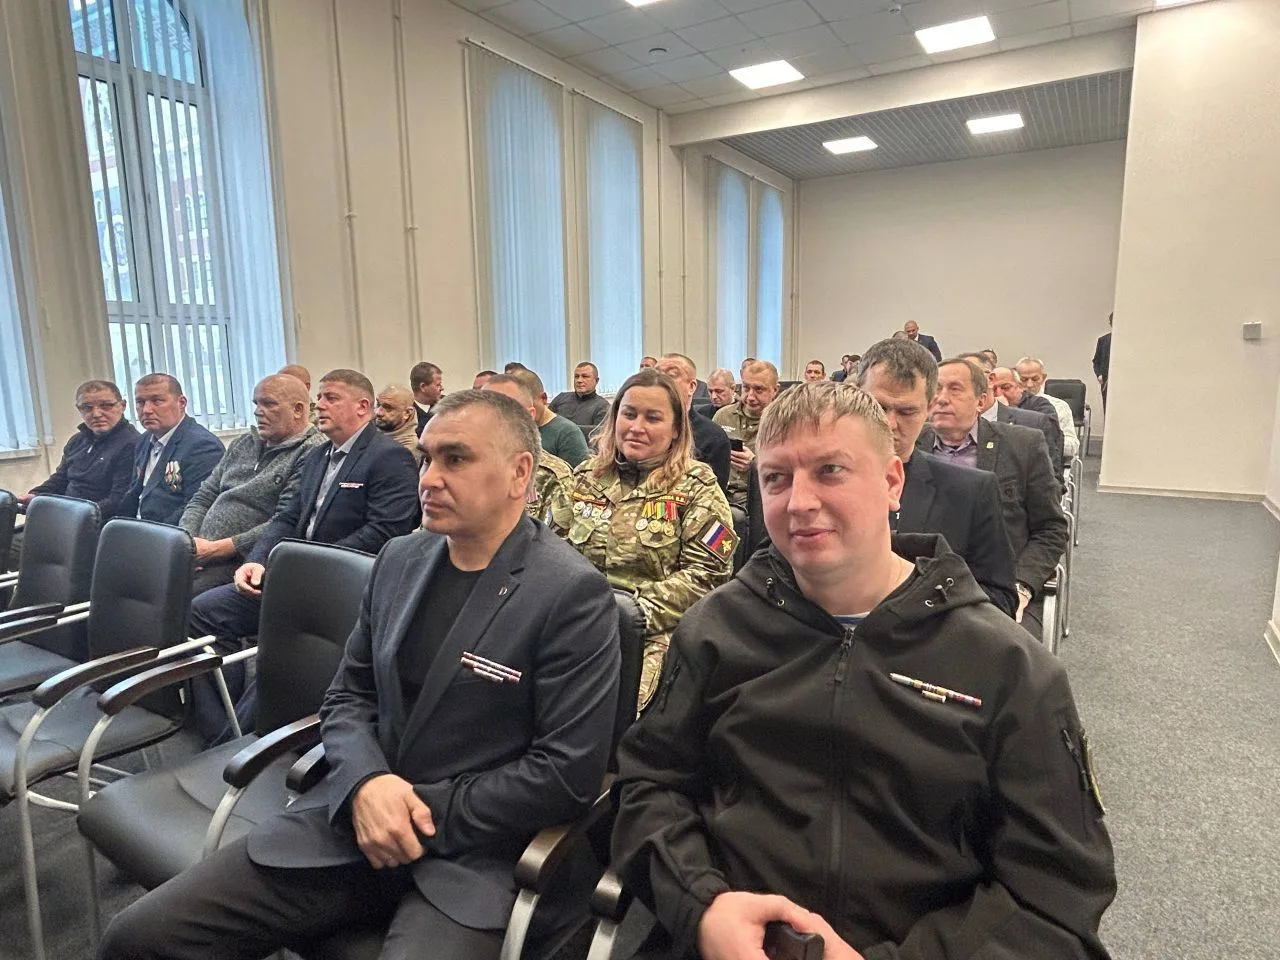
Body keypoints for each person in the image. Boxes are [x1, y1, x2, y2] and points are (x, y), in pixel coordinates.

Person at [100, 390, 622, 960]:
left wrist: (415, 810)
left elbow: (565, 773)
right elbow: (348, 696)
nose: (429, 478)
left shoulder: (569, 593)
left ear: (520, 473)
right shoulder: (399, 560)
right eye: (426, 458)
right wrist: (368, 785)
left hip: (474, 856)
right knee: (137, 939)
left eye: (456, 459)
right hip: (350, 818)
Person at [610, 380, 1115, 960]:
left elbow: (1054, 900)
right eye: (776, 478)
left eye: (830, 471)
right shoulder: (717, 630)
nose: (799, 502)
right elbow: (648, 786)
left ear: (892, 482)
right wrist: (704, 907)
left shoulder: (1004, 666)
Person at [186, 369, 421, 743]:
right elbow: (286, 517)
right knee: (204, 612)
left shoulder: (389, 458)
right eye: (320, 398)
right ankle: (221, 728)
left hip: (344, 587)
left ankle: (242, 741)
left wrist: (309, 566)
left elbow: (384, 532)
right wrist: (258, 560)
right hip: (295, 579)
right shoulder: (318, 456)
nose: (319, 405)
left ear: (363, 407)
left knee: (281, 652)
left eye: (331, 398)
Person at [552, 368, 735, 711]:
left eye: (653, 418)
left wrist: (630, 614)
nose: (637, 427)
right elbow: (549, 556)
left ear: (676, 428)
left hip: (653, 629)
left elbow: (708, 575)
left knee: (619, 709)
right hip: (576, 622)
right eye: (629, 414)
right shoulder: (584, 478)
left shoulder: (697, 486)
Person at [855, 340, 1017, 616]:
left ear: (929, 408)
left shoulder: (970, 492)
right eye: (878, 408)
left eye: (907, 411)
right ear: (855, 398)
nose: (890, 423)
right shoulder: (806, 483)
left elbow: (999, 600)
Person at [925, 359, 1068, 636]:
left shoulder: (1023, 446)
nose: (941, 398)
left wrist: (1022, 587)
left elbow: (1050, 529)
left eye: (954, 389)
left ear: (981, 401)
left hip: (997, 587)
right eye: (935, 389)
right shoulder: (909, 447)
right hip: (923, 586)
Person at [179, 375, 323, 595]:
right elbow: (204, 496)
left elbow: (284, 521)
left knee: (176, 598)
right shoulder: (243, 443)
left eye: (269, 404)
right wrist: (187, 543)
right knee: (143, 582)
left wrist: (216, 549)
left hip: (244, 560)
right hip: (201, 552)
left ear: (297, 409)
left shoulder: (312, 452)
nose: (258, 411)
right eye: (256, 403)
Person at [119, 374, 225, 525]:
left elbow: (197, 508)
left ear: (181, 403)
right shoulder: (143, 440)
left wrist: (149, 532)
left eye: (157, 401)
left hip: (170, 532)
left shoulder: (203, 446)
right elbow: (135, 494)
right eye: (140, 402)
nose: (146, 410)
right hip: (136, 528)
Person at [482, 374, 573, 530]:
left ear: (529, 415)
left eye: (504, 410)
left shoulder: (551, 476)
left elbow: (556, 541)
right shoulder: (465, 467)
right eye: (484, 411)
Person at [657, 354, 730, 493]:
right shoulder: (642, 430)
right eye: (657, 375)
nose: (660, 382)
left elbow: (712, 495)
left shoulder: (713, 436)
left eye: (671, 376)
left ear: (691, 387)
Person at [713, 360, 780, 511]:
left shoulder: (784, 422)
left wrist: (755, 465)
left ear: (775, 390)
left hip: (761, 497)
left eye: (758, 389)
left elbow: (789, 471)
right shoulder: (723, 416)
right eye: (746, 387)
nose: (750, 396)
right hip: (720, 493)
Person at [509, 368, 590, 468]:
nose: (518, 411)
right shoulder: (510, 430)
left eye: (526, 404)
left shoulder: (567, 433)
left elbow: (576, 476)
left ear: (543, 398)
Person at [992, 367, 1065, 471]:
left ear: (1020, 386)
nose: (998, 394)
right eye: (993, 389)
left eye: (1006, 387)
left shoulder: (1041, 407)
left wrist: (1005, 411)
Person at [1015, 356, 1080, 458]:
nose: (1029, 384)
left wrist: (1047, 440)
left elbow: (1072, 447)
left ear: (1043, 378)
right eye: (1024, 379)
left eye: (1035, 379)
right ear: (1016, 379)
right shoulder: (1009, 404)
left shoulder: (1059, 406)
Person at [549, 361, 610, 429]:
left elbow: (598, 433)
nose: (579, 380)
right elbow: (545, 421)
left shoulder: (603, 406)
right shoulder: (561, 398)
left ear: (596, 381)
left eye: (585, 376)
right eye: (576, 376)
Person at [375, 384, 425, 464]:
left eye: (388, 408)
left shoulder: (407, 449)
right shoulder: (370, 432)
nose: (378, 412)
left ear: (407, 413)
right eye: (378, 404)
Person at [410, 361, 444, 434]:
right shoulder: (406, 412)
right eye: (438, 385)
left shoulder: (447, 405)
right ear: (423, 387)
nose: (442, 388)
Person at [1093, 313, 1112, 411]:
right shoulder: (1103, 340)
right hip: (1106, 380)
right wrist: (1099, 374)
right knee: (1107, 408)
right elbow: (1096, 360)